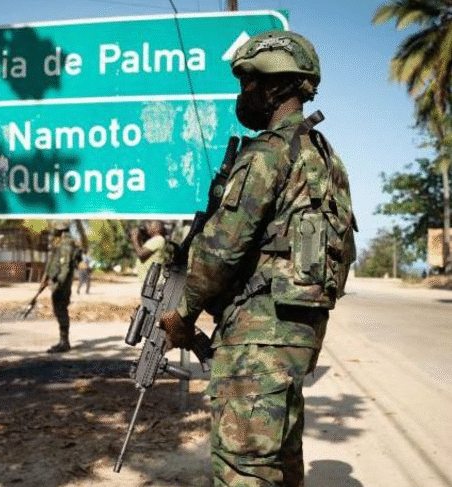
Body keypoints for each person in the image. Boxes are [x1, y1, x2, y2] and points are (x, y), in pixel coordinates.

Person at [159, 30, 357, 486]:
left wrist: (183, 315)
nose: (242, 93)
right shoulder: (326, 158)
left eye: (249, 82)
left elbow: (220, 249)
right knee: (281, 463)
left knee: (244, 467)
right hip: (295, 338)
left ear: (278, 86)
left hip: (256, 342)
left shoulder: (268, 155)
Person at [38, 221, 80, 353]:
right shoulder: (61, 243)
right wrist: (46, 279)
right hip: (58, 282)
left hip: (61, 284)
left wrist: (60, 284)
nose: (53, 232)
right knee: (59, 310)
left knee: (60, 310)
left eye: (56, 229)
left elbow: (66, 268)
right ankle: (63, 341)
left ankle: (64, 342)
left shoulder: (67, 244)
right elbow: (53, 263)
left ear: (61, 230)